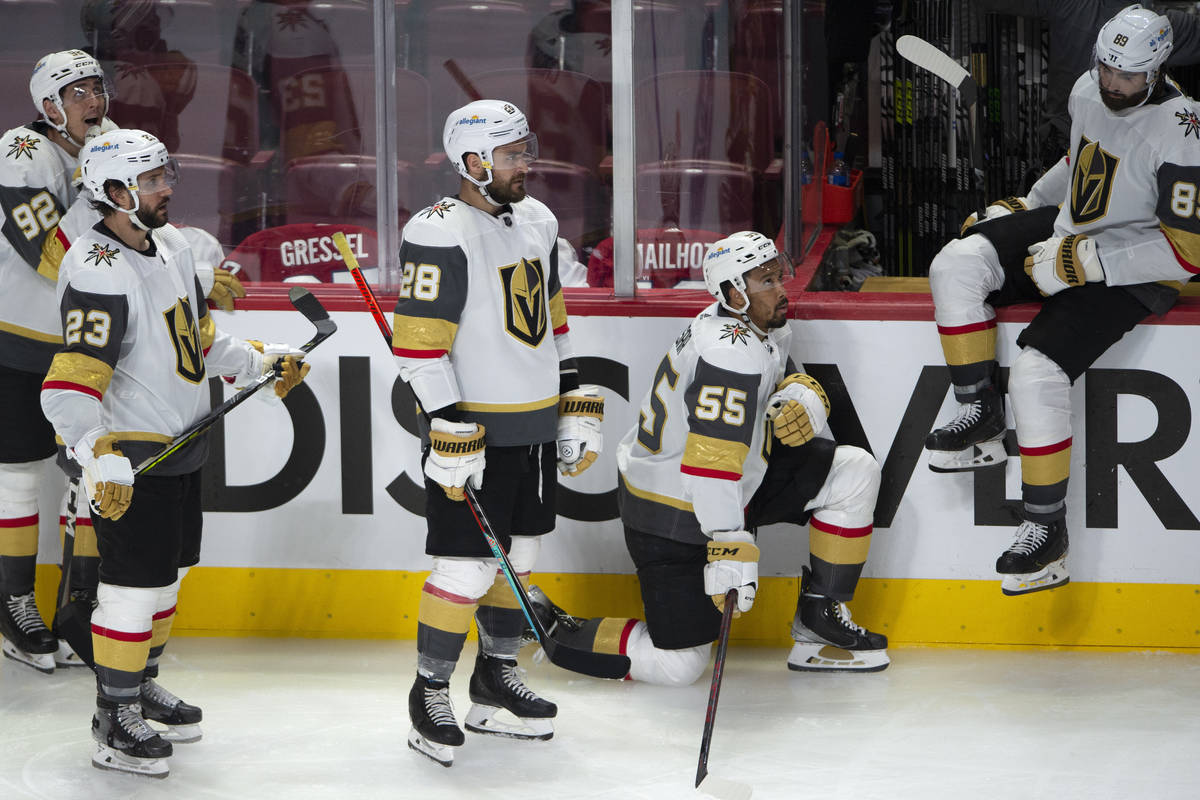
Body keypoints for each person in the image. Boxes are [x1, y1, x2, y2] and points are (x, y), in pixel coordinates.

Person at [39, 128, 310, 778]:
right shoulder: (95, 268)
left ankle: (142, 685)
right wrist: (94, 451)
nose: (168, 187)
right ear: (113, 192)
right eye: (153, 178)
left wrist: (258, 363)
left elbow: (198, 338)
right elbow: (69, 383)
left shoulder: (176, 247)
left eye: (165, 174)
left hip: (183, 445)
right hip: (132, 456)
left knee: (168, 580)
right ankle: (114, 716)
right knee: (132, 591)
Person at [529, 230, 890, 688]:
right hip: (670, 514)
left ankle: (817, 620)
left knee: (853, 471)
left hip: (731, 488)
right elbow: (710, 463)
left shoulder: (757, 324)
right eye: (766, 280)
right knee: (677, 667)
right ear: (734, 293)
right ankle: (551, 624)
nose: (781, 289)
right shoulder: (728, 353)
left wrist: (800, 390)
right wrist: (727, 543)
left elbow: (768, 387)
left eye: (779, 275)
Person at [923, 5, 1200, 595]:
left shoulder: (1183, 130)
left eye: (1127, 77)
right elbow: (1080, 161)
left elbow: (1189, 253)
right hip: (1072, 233)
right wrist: (1026, 204)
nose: (1112, 84)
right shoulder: (1087, 88)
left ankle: (1045, 534)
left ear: (1157, 70)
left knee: (1035, 373)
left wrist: (1088, 263)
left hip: (1135, 266)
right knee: (957, 261)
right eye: (1106, 68)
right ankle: (981, 417)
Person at [395, 99, 603, 767]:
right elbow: (419, 348)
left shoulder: (538, 221)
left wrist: (570, 399)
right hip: (474, 432)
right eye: (512, 154)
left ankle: (495, 680)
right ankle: (429, 693)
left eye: (524, 150)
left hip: (535, 425)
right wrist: (447, 426)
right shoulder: (437, 231)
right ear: (473, 162)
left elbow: (555, 318)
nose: (526, 164)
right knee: (463, 567)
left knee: (521, 562)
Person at [0, 49, 117, 674]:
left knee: (91, 479)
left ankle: (79, 610)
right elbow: (49, 258)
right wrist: (100, 179)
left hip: (88, 345)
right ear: (49, 107)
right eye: (80, 93)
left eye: (98, 88)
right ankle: (15, 603)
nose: (95, 102)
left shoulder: (113, 143)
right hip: (16, 340)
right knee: (18, 477)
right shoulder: (20, 153)